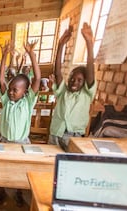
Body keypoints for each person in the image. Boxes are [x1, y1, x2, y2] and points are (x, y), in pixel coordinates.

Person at [0, 39, 41, 207]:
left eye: (15, 89)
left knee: (21, 169)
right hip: (4, 141)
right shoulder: (7, 100)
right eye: (10, 88)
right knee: (2, 168)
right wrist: (4, 55)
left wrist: (31, 55)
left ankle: (19, 193)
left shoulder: (28, 102)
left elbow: (37, 78)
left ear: (25, 92)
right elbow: (1, 79)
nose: (11, 91)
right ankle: (1, 190)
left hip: (22, 143)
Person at [48, 23, 97, 151]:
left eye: (80, 80)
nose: (74, 82)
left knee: (69, 166)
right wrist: (60, 45)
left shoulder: (87, 94)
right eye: (72, 79)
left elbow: (91, 71)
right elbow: (57, 72)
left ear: (85, 82)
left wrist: (89, 44)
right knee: (50, 165)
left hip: (75, 137)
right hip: (56, 134)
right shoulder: (62, 91)